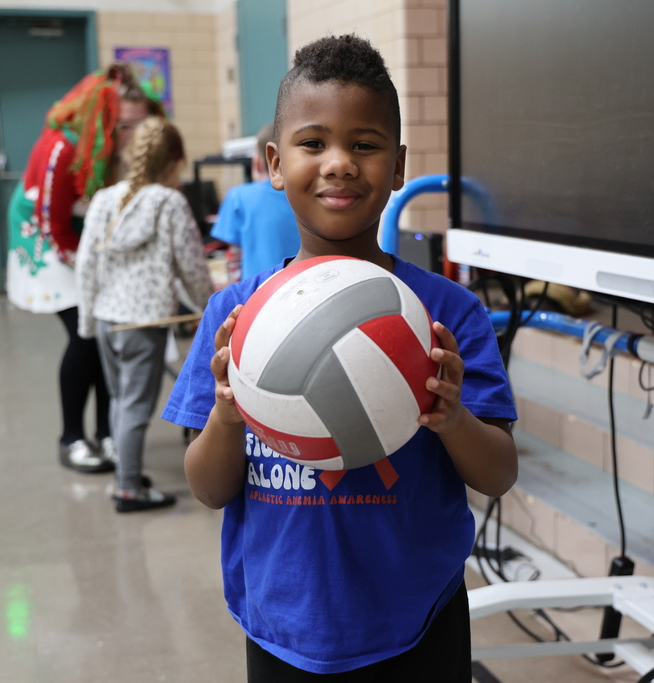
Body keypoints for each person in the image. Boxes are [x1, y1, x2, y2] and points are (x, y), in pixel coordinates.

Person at [161, 35, 518, 680]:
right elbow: (208, 489)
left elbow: (497, 475)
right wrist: (226, 417)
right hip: (282, 626)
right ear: (273, 162)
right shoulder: (234, 317)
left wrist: (453, 417)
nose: (339, 164)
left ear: (399, 164)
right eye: (312, 143)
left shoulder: (448, 313)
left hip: (419, 619)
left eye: (364, 145)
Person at [6, 64, 162, 474]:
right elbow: (52, 225)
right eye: (125, 126)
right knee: (86, 334)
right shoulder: (61, 147)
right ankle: (71, 438)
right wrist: (95, 267)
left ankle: (108, 434)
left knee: (108, 334)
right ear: (105, 119)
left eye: (140, 126)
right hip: (48, 240)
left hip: (88, 238)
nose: (134, 136)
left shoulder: (129, 146)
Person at [76, 117, 213, 512]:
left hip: (106, 319)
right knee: (136, 405)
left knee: (121, 400)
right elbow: (191, 266)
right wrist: (211, 304)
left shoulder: (104, 200)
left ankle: (127, 470)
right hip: (145, 322)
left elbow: (86, 263)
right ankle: (129, 487)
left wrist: (87, 319)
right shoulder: (170, 203)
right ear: (174, 163)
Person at [209, 123, 300, 280]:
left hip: (257, 293)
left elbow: (233, 258)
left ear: (257, 162)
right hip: (303, 288)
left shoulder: (238, 197)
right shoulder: (306, 196)